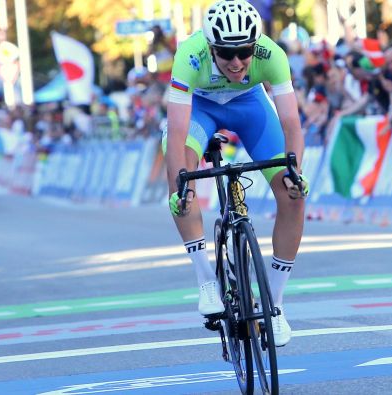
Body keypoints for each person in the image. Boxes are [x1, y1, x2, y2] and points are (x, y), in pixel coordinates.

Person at [164, 0, 308, 347]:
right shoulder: (190, 55)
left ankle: (274, 304)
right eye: (226, 54)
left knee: (294, 196)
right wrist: (179, 187)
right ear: (210, 46)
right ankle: (206, 281)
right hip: (200, 109)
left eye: (244, 52)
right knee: (183, 178)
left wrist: (294, 172)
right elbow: (177, 130)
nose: (237, 62)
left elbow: (290, 122)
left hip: (250, 107)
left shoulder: (270, 54)